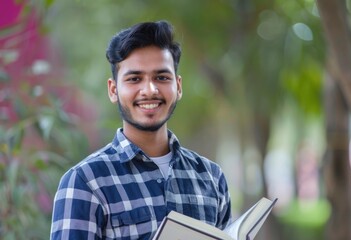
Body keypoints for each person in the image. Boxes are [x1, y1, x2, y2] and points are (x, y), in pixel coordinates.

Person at [50, 20, 231, 240]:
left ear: (178, 86)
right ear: (113, 89)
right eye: (135, 79)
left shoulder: (211, 178)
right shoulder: (85, 182)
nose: (150, 90)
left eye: (161, 78)